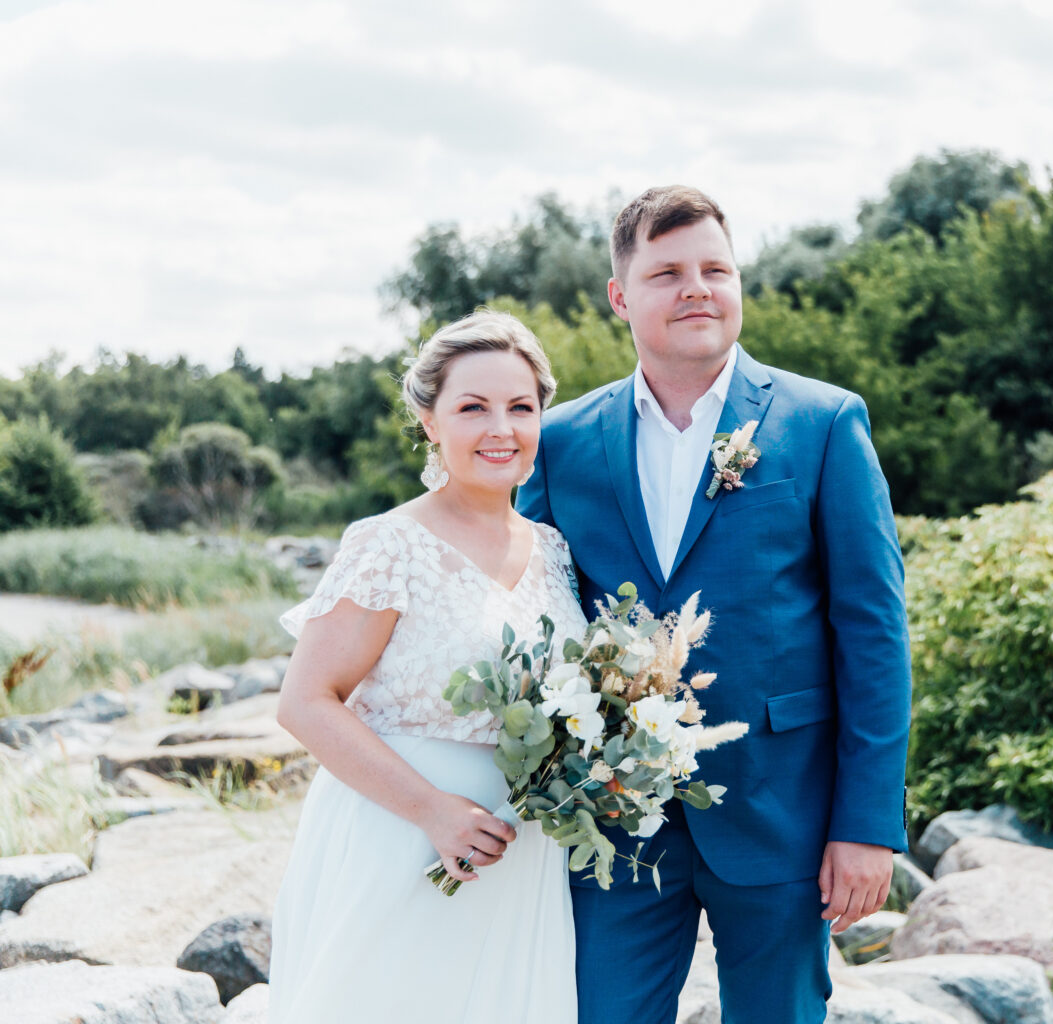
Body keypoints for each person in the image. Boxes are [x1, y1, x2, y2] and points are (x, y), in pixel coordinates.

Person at [517, 186, 911, 1024]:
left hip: (784, 812)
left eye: (714, 269)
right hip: (617, 822)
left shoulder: (823, 423)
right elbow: (526, 620)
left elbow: (873, 635)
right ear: (621, 297)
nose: (696, 288)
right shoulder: (559, 444)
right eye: (667, 272)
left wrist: (867, 824)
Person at [268, 311, 581, 1023]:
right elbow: (307, 701)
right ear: (429, 419)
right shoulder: (389, 543)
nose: (500, 428)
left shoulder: (554, 551)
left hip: (519, 853)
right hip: (403, 838)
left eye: (520, 408)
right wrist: (432, 812)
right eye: (473, 407)